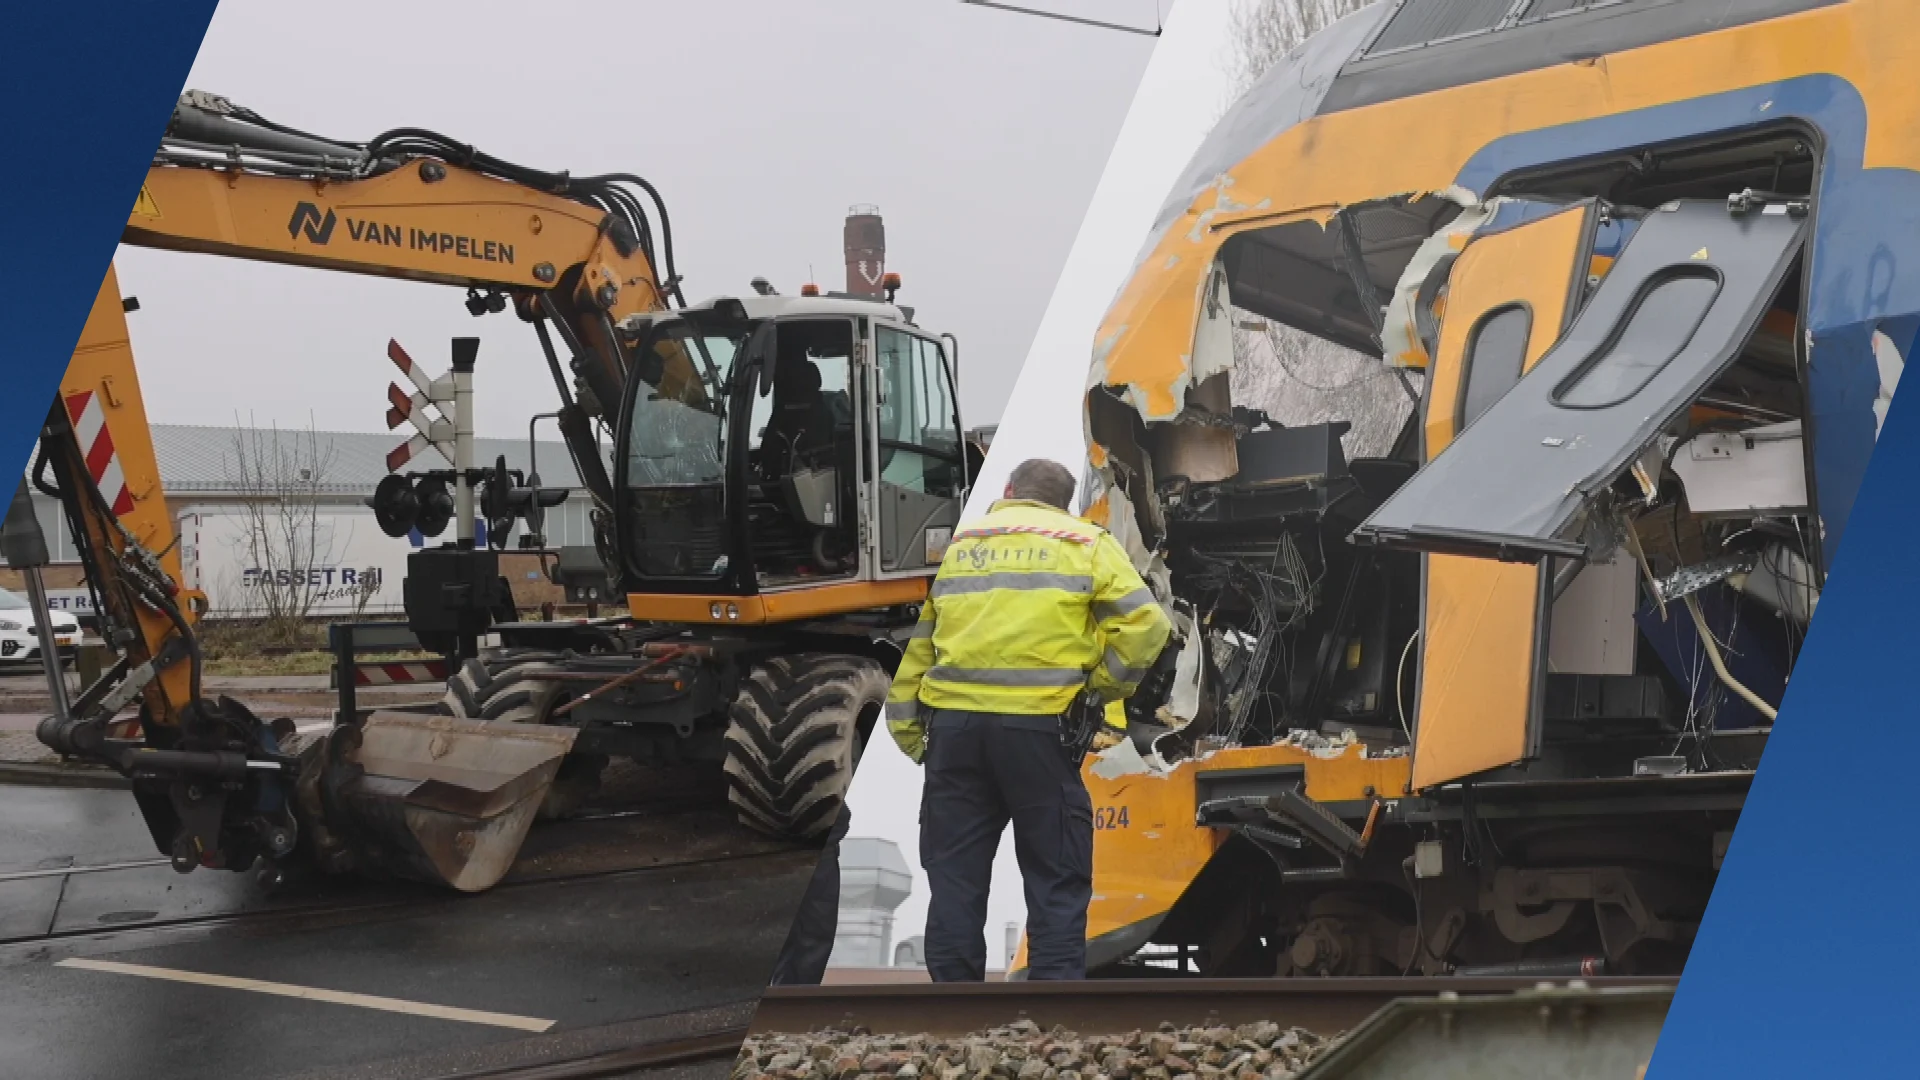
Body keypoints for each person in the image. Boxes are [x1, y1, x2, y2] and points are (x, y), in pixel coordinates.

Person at [886, 458, 1172, 981]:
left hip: (954, 736)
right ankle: (1048, 1014)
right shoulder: (1085, 543)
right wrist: (1100, 688)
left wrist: (912, 737)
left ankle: (952, 1013)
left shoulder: (964, 547)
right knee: (1056, 882)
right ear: (1062, 503)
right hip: (1040, 734)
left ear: (1009, 489)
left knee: (954, 884)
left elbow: (921, 649)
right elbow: (1148, 626)